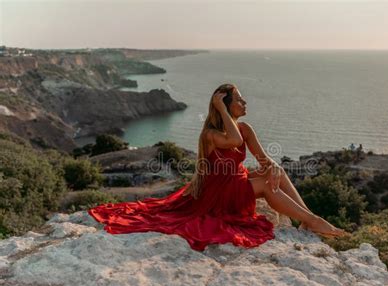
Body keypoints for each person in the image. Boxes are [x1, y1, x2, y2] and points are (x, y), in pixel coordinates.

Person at [88, 83, 346, 252]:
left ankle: (308, 220)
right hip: (218, 193)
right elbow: (233, 141)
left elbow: (265, 159)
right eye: (240, 101)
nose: (245, 105)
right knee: (268, 186)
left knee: (275, 173)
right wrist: (221, 109)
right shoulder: (211, 134)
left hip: (235, 182)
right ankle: (313, 221)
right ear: (226, 105)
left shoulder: (246, 128)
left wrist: (275, 166)